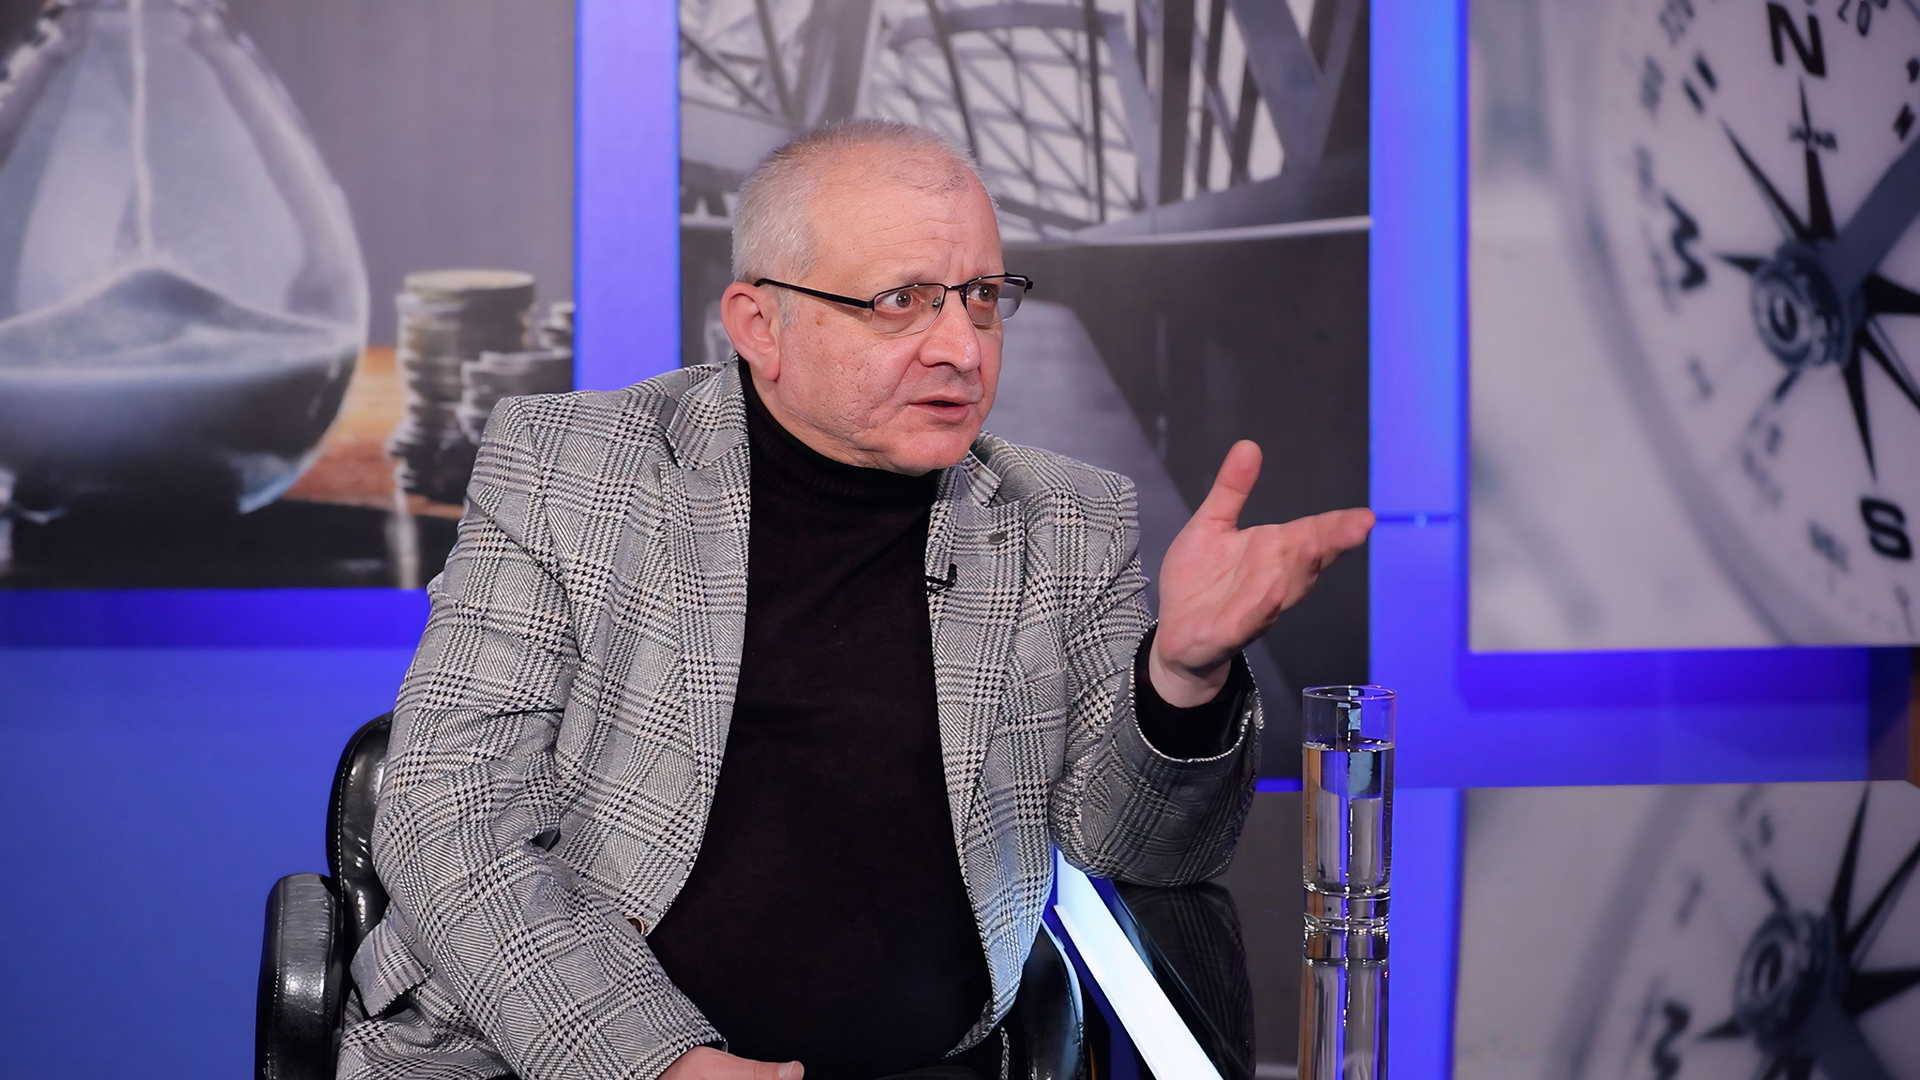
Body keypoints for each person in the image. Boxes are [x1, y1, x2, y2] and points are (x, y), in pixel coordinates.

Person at [338, 119, 1373, 1080]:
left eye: (981, 295)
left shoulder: (1066, 519)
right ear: (760, 324)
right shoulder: (572, 469)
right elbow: (447, 816)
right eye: (901, 300)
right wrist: (655, 1062)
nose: (963, 347)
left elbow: (1142, 851)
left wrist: (1181, 676)